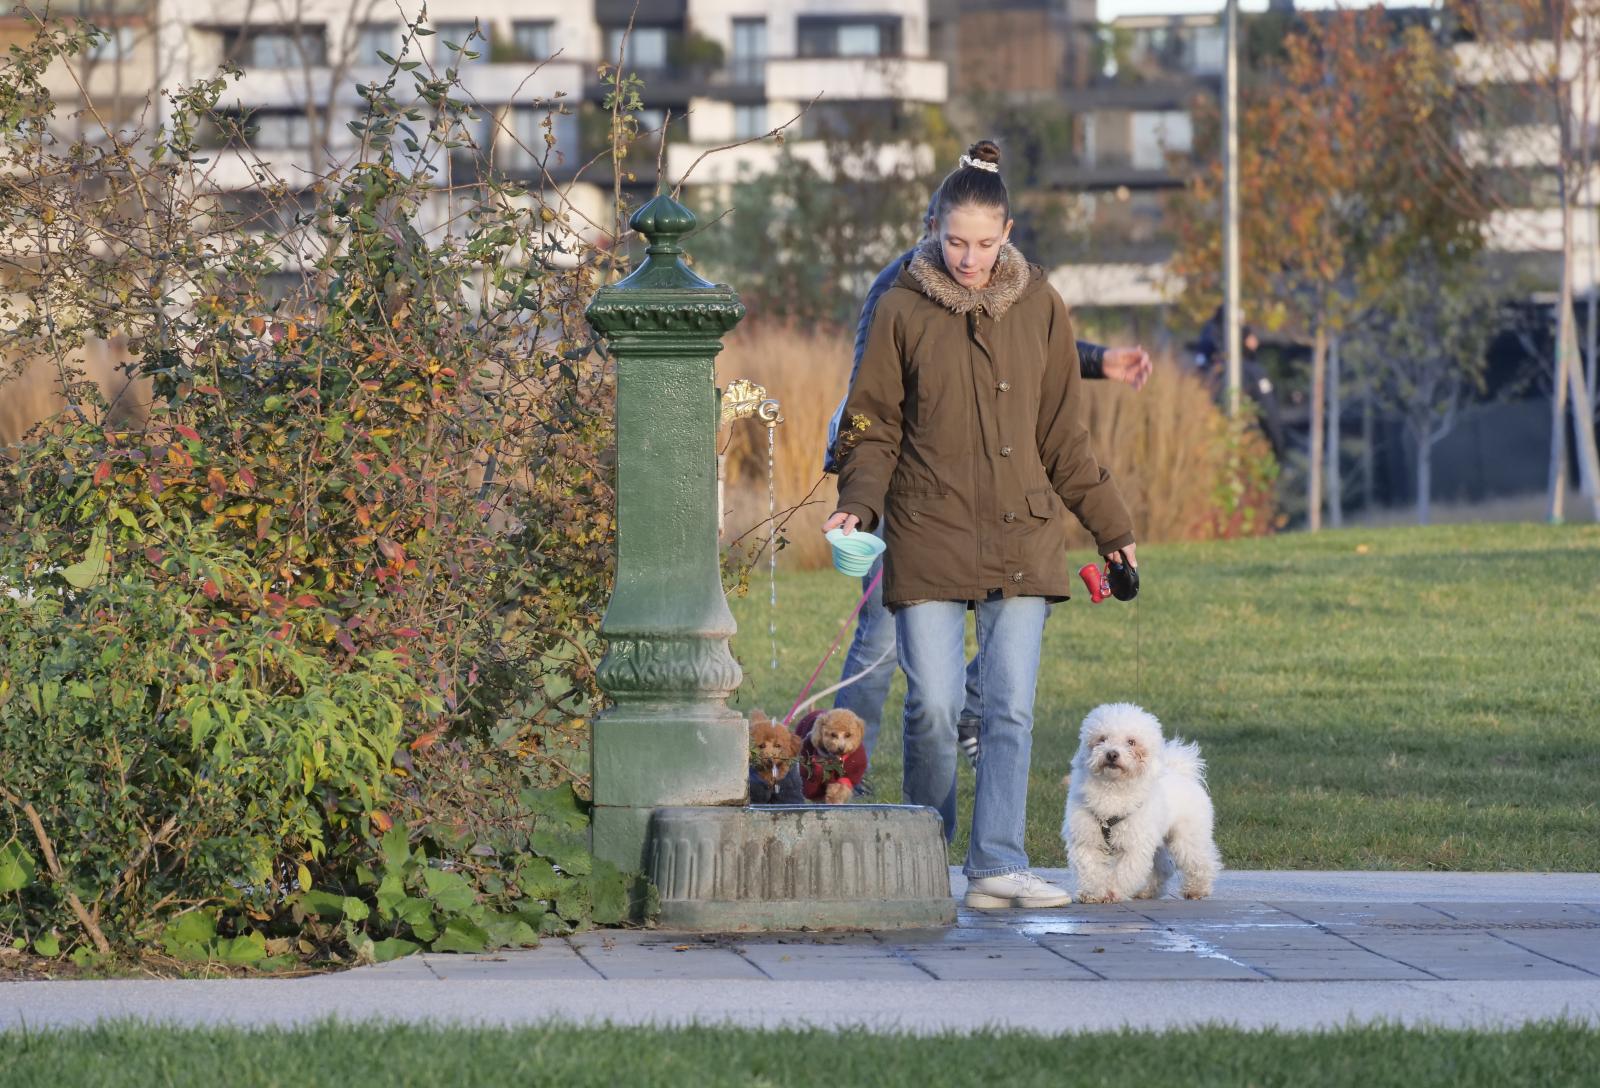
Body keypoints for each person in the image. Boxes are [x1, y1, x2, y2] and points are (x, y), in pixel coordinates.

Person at [824, 140, 1137, 910]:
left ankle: (997, 862)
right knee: (931, 708)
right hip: (927, 530)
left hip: (1022, 533)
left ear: (1008, 232)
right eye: (955, 241)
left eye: (985, 243)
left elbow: (1064, 436)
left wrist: (1112, 528)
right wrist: (858, 504)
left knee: (1009, 707)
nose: (969, 258)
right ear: (934, 227)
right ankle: (926, 855)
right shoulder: (900, 304)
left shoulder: (1041, 304)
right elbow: (871, 425)